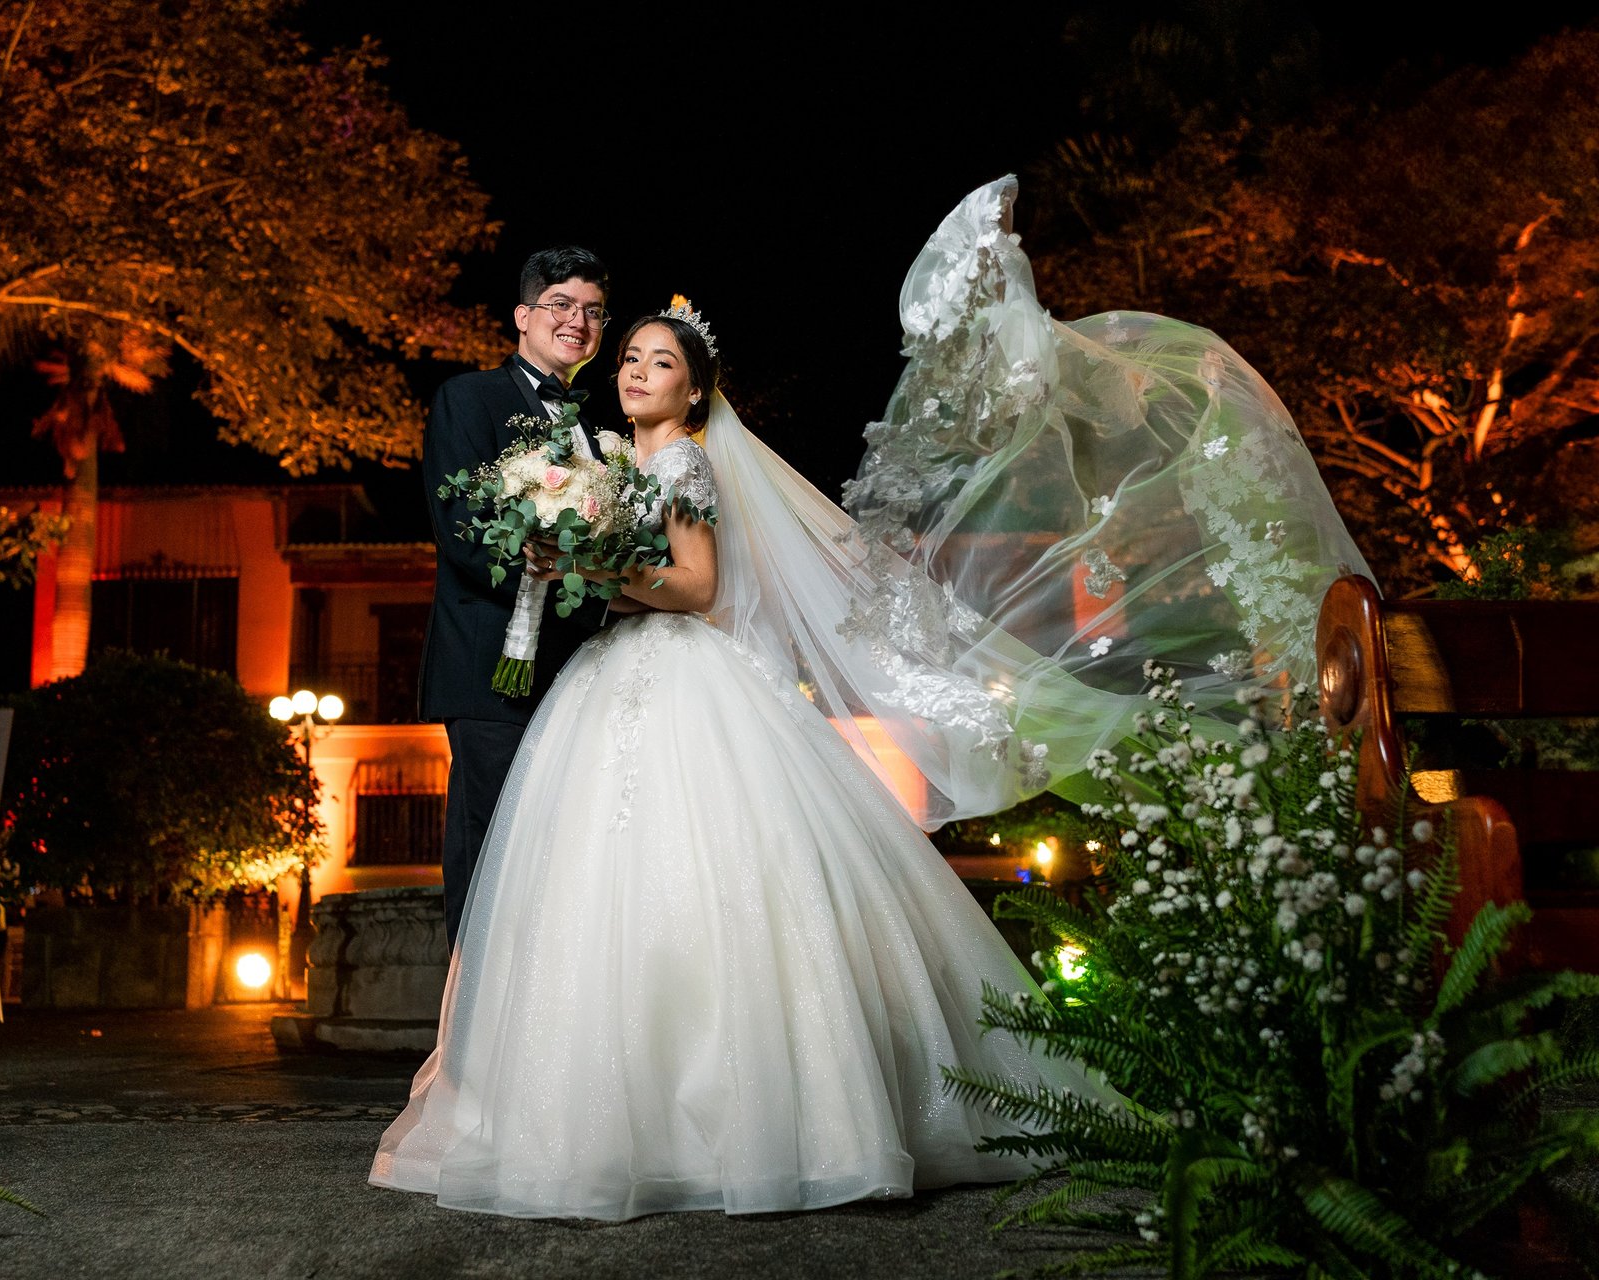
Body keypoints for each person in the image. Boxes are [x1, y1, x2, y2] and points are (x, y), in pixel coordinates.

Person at [375, 178, 1371, 1219]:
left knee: (704, 879)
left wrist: (598, 571)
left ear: (697, 391)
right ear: (525, 316)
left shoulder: (678, 465)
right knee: (567, 884)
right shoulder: (569, 436)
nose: (623, 361)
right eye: (621, 349)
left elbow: (698, 585)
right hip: (578, 673)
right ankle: (544, 1096)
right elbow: (495, 540)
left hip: (662, 667)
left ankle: (727, 1115)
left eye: (649, 355)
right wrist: (592, 566)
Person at [418, 246, 612, 950]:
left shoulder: (597, 430)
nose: (578, 321)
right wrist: (554, 570)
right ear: (523, 316)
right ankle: (472, 1009)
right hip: (488, 666)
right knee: (490, 850)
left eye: (593, 311)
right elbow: (461, 531)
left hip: (576, 672)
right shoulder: (468, 398)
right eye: (562, 304)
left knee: (559, 856)